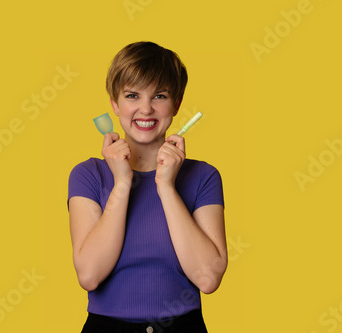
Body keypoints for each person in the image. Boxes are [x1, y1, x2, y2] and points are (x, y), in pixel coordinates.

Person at [67, 41, 227, 333]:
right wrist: (122, 183)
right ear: (115, 104)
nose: (146, 108)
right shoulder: (88, 175)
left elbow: (208, 279)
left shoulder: (204, 176)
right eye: (132, 95)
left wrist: (166, 186)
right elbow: (89, 276)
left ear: (176, 103)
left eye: (160, 95)